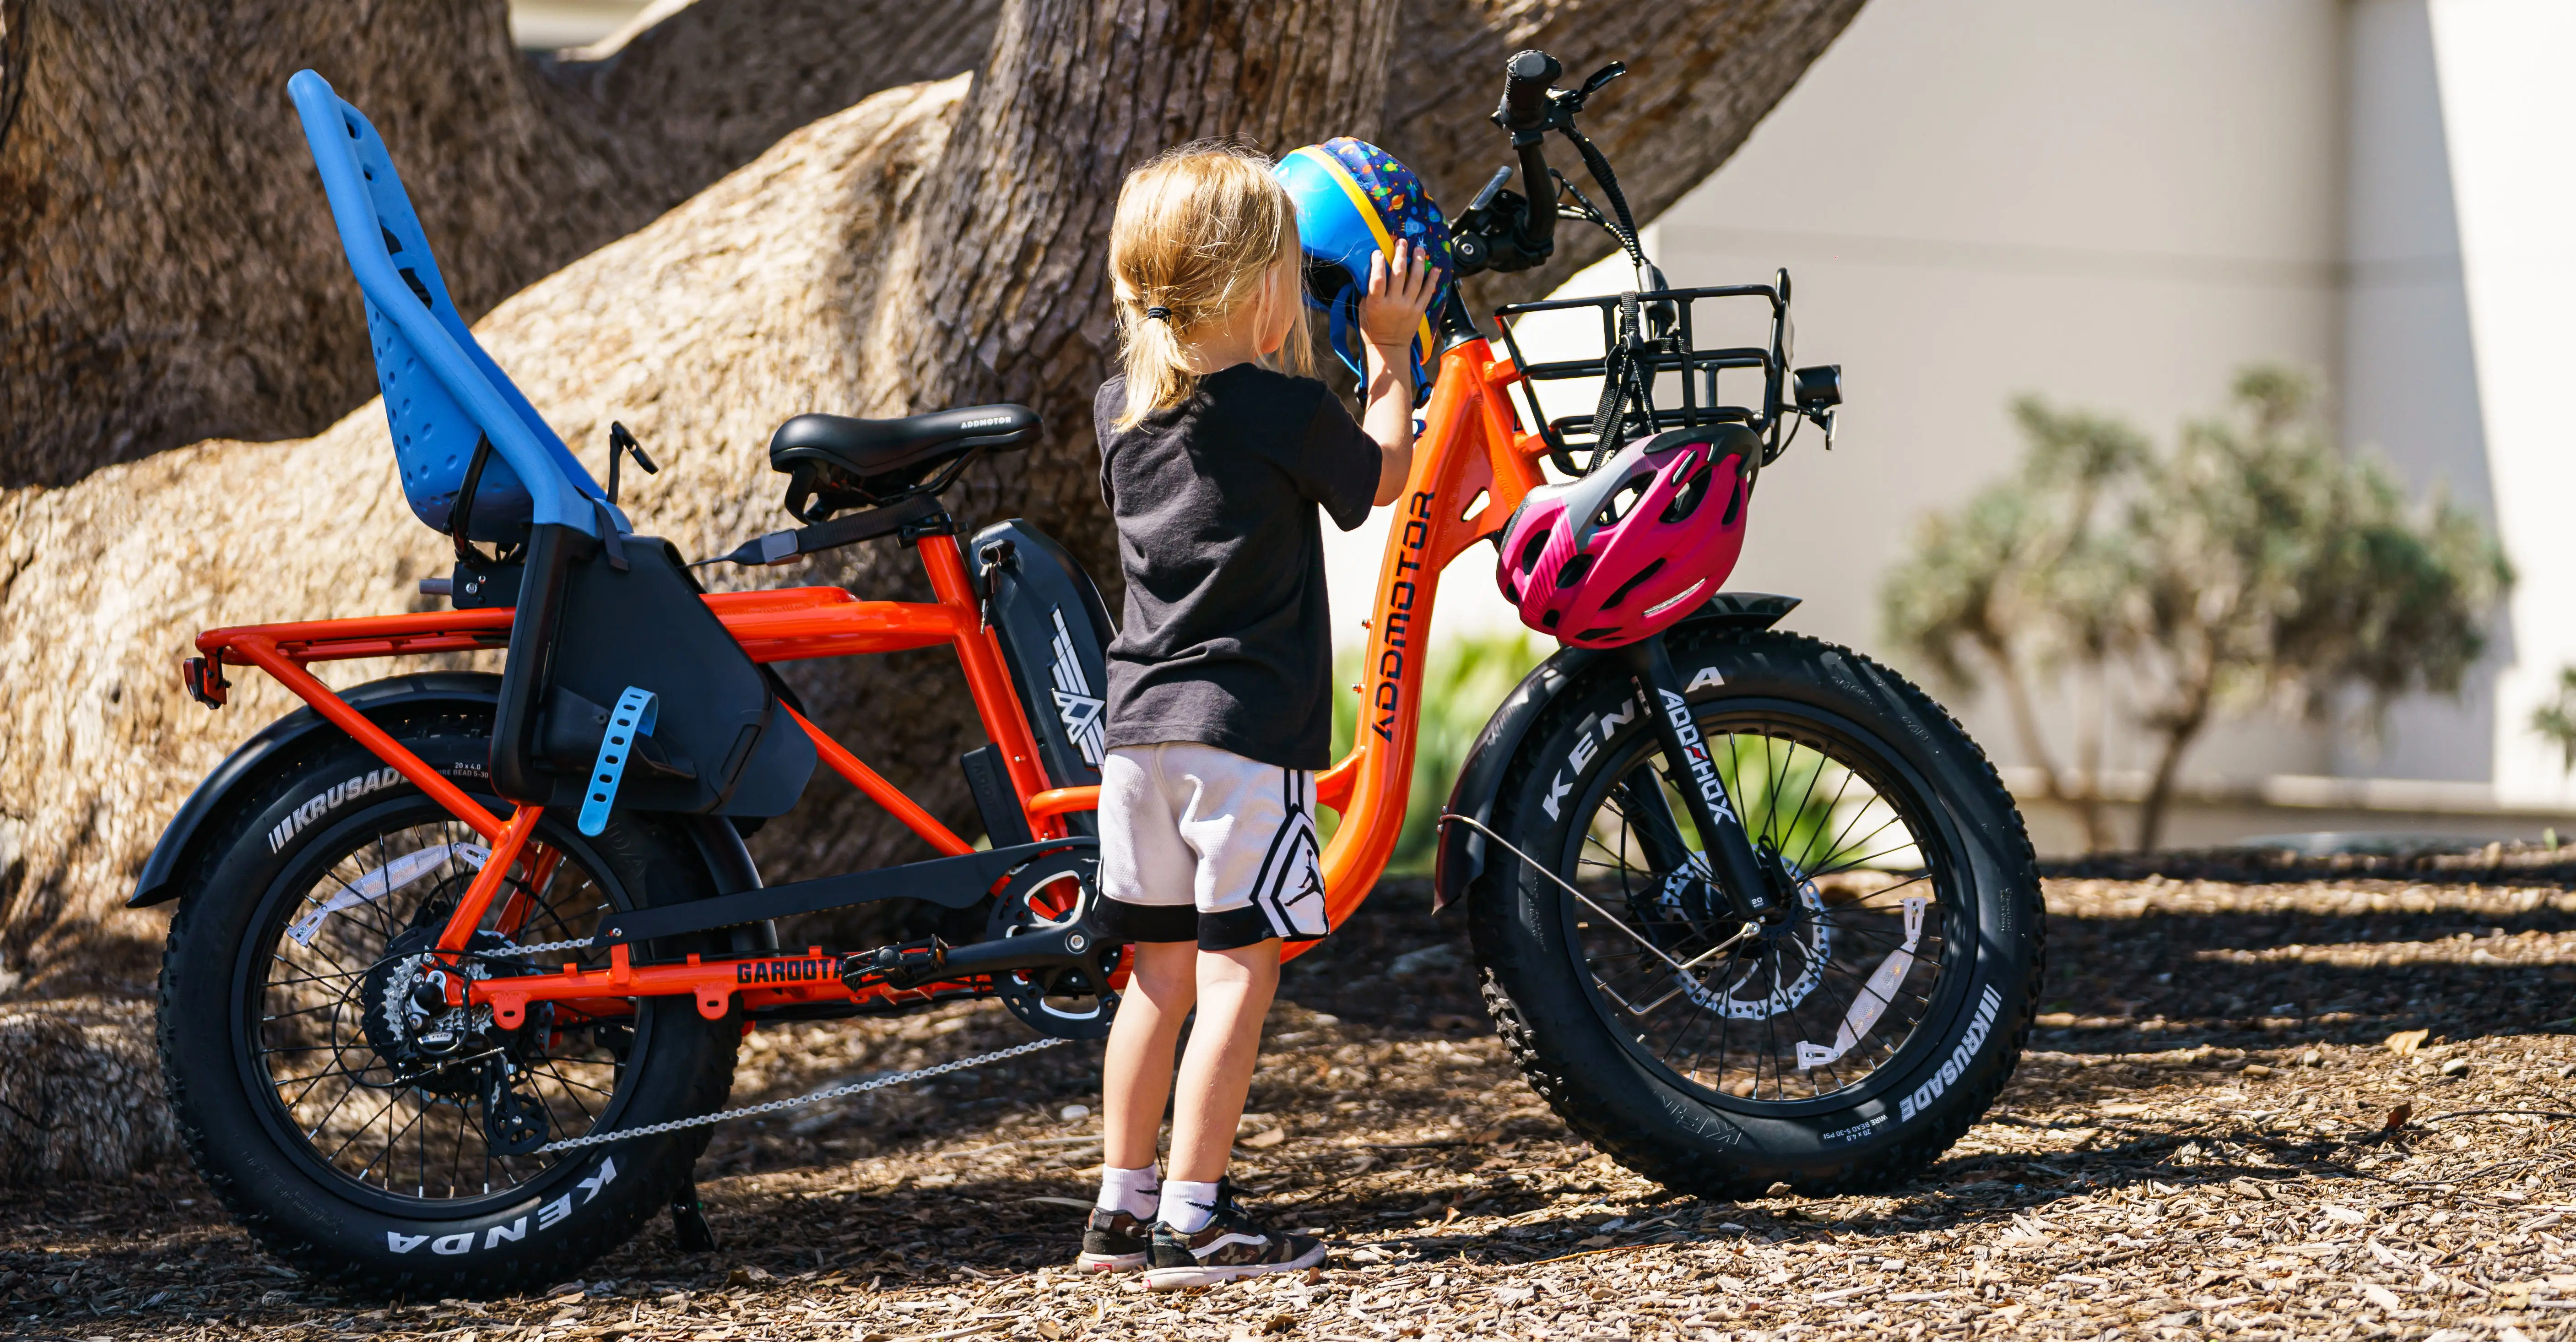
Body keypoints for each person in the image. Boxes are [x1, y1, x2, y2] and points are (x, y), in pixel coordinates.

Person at [1074, 141, 1438, 1290]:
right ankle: (1198, 1218)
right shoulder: (1283, 408)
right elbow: (1382, 479)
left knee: (1157, 977)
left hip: (1135, 739)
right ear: (1260, 288)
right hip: (1242, 740)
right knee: (1243, 974)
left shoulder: (1115, 413)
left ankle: (1120, 1208)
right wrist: (1386, 359)